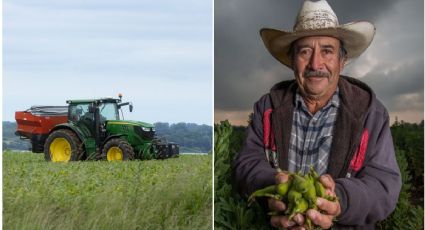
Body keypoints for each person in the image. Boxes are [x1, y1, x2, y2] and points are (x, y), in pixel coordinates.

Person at [232, 0, 401, 229]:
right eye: (305, 51)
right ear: (292, 60)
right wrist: (272, 186)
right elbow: (246, 163)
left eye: (327, 51)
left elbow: (384, 186)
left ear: (342, 61)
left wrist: (339, 199)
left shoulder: (371, 113)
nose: (315, 63)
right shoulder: (268, 108)